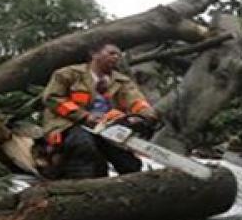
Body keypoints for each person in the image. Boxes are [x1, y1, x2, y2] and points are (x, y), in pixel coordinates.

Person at [41, 43, 159, 179]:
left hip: (106, 127)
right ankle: (83, 184)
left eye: (118, 55)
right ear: (94, 54)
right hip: (69, 125)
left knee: (127, 161)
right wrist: (84, 116)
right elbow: (52, 98)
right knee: (84, 145)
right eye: (111, 53)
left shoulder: (121, 81)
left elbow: (135, 100)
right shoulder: (68, 74)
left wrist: (145, 115)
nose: (116, 57)